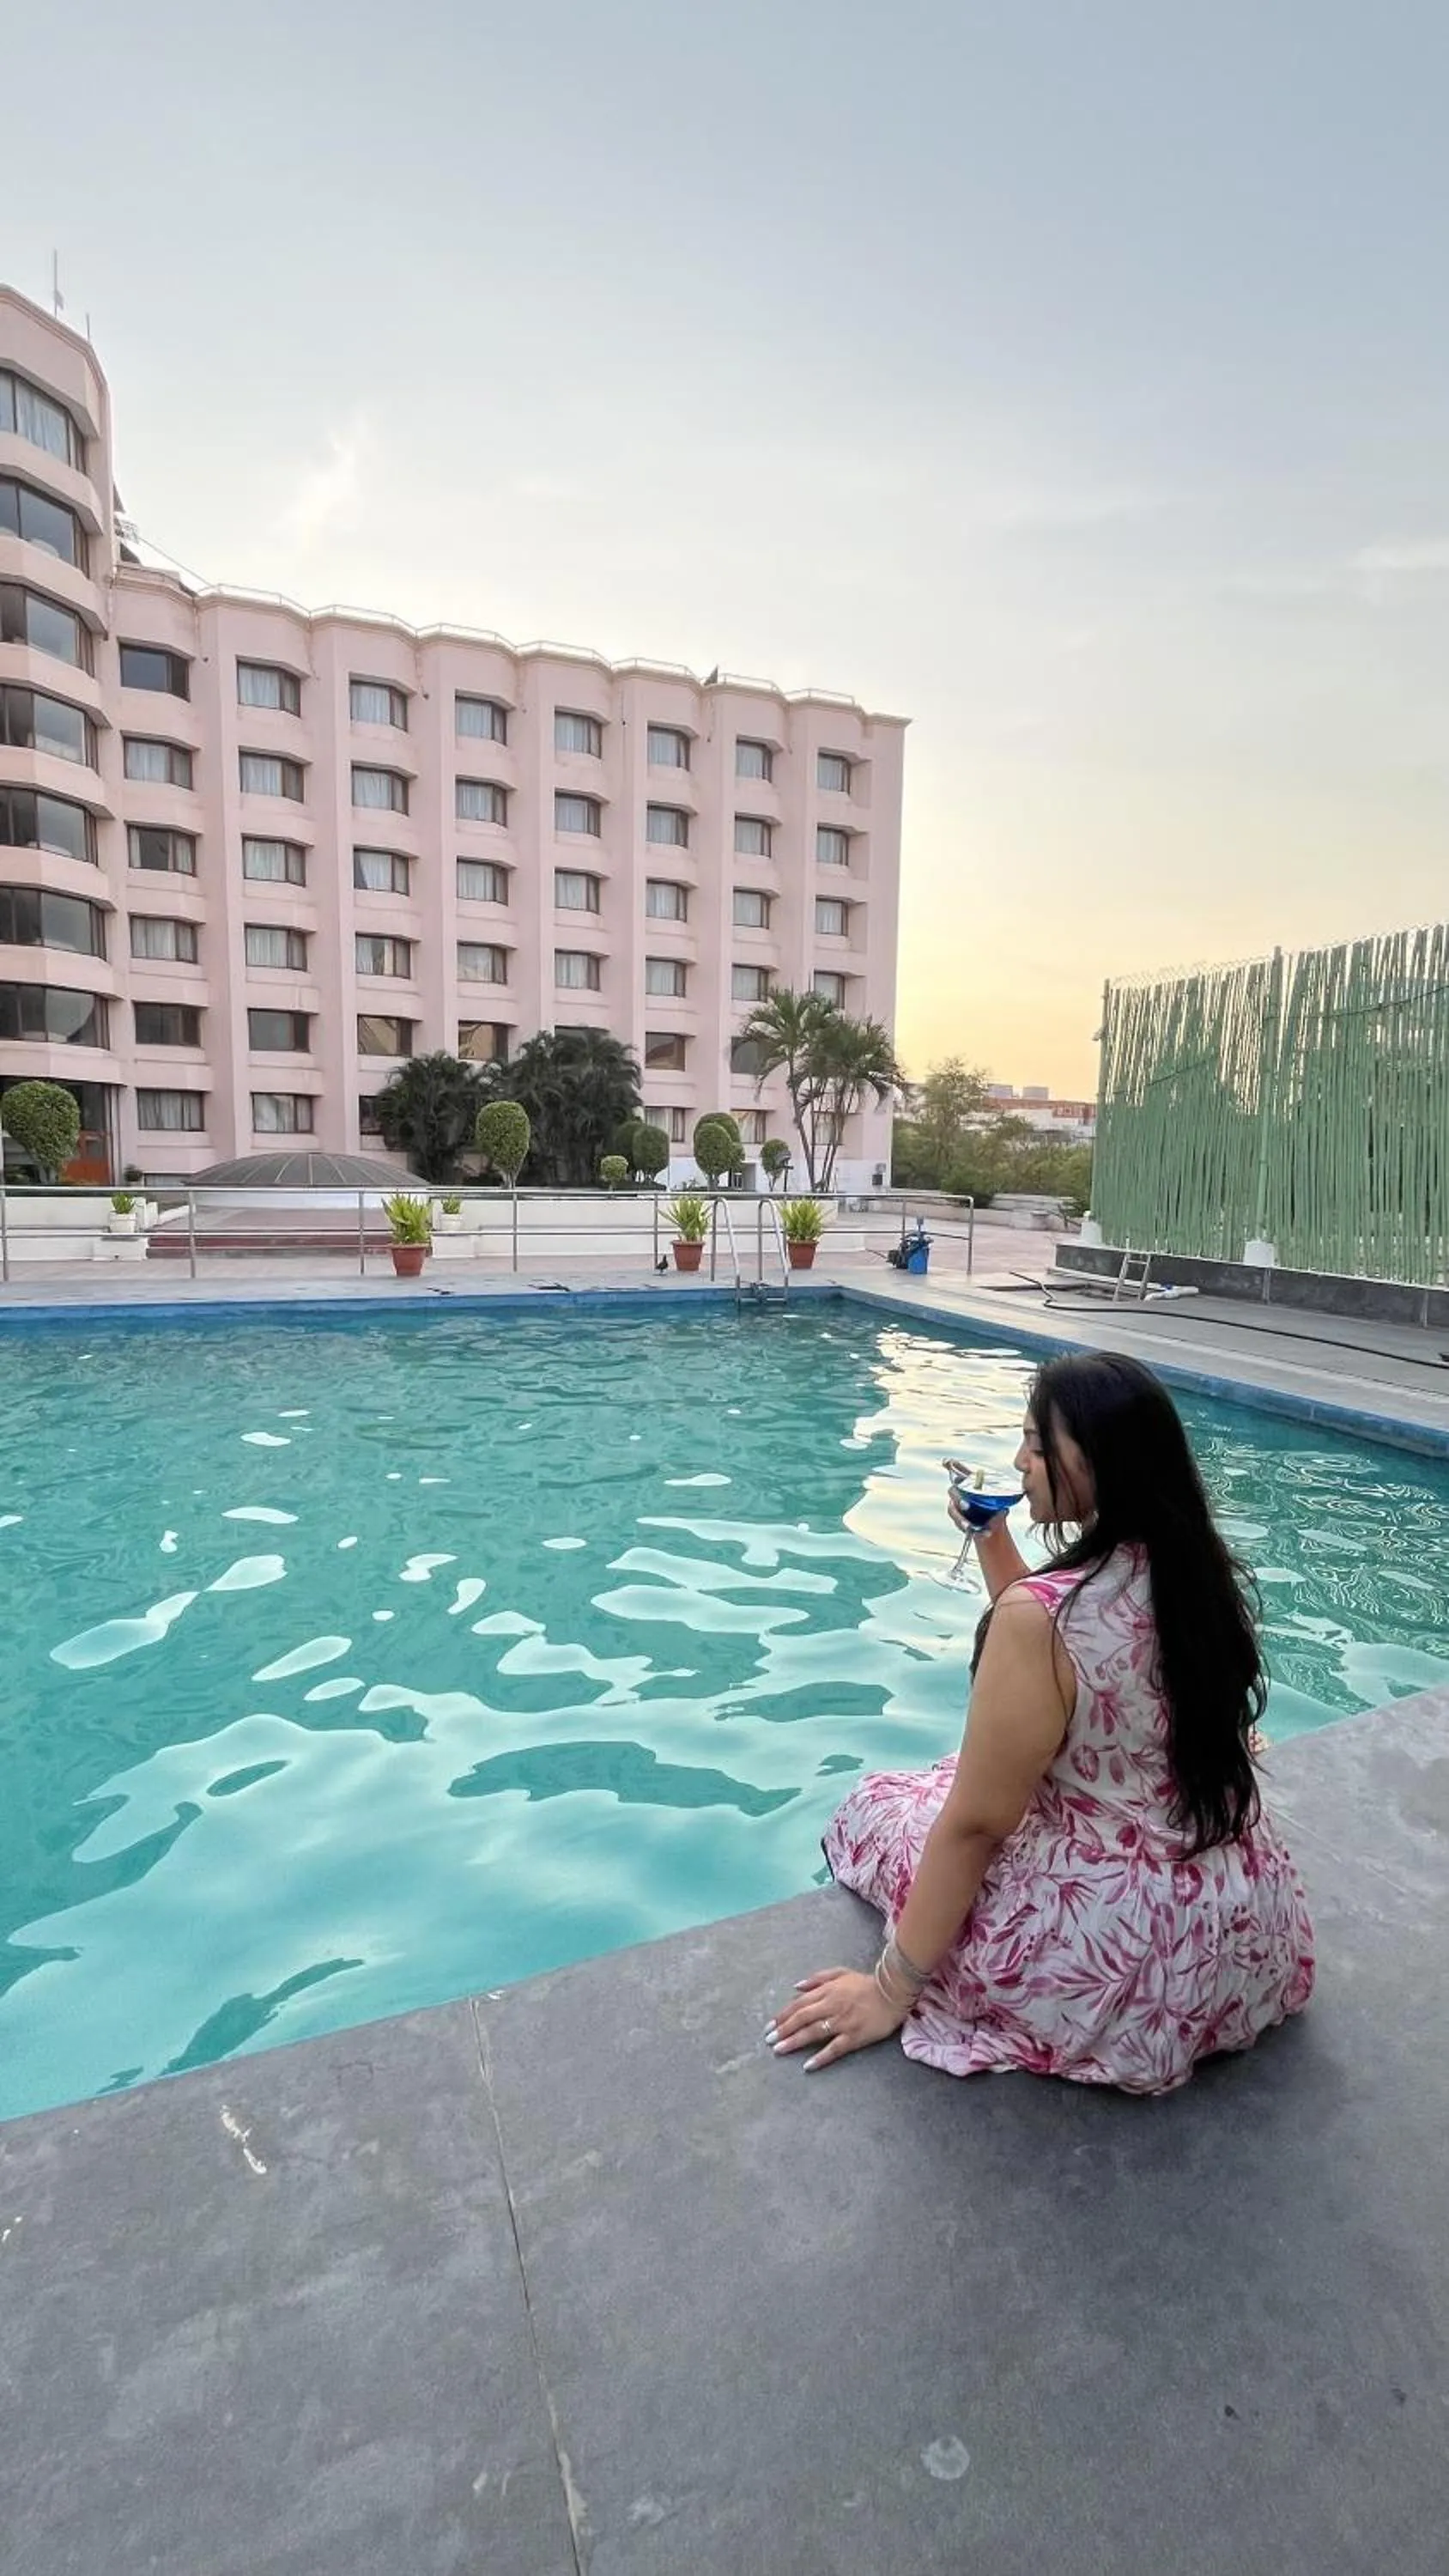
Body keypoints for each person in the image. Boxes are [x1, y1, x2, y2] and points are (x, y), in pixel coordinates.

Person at [767, 1352, 1315, 2094]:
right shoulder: (1197, 1572)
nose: (1020, 1461)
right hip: (1237, 1931)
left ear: (1093, 1461)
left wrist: (890, 1989)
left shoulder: (1044, 1622)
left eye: (1035, 1443)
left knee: (880, 1807)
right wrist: (992, 1538)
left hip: (1122, 1956)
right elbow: (1074, 1647)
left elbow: (979, 1824)